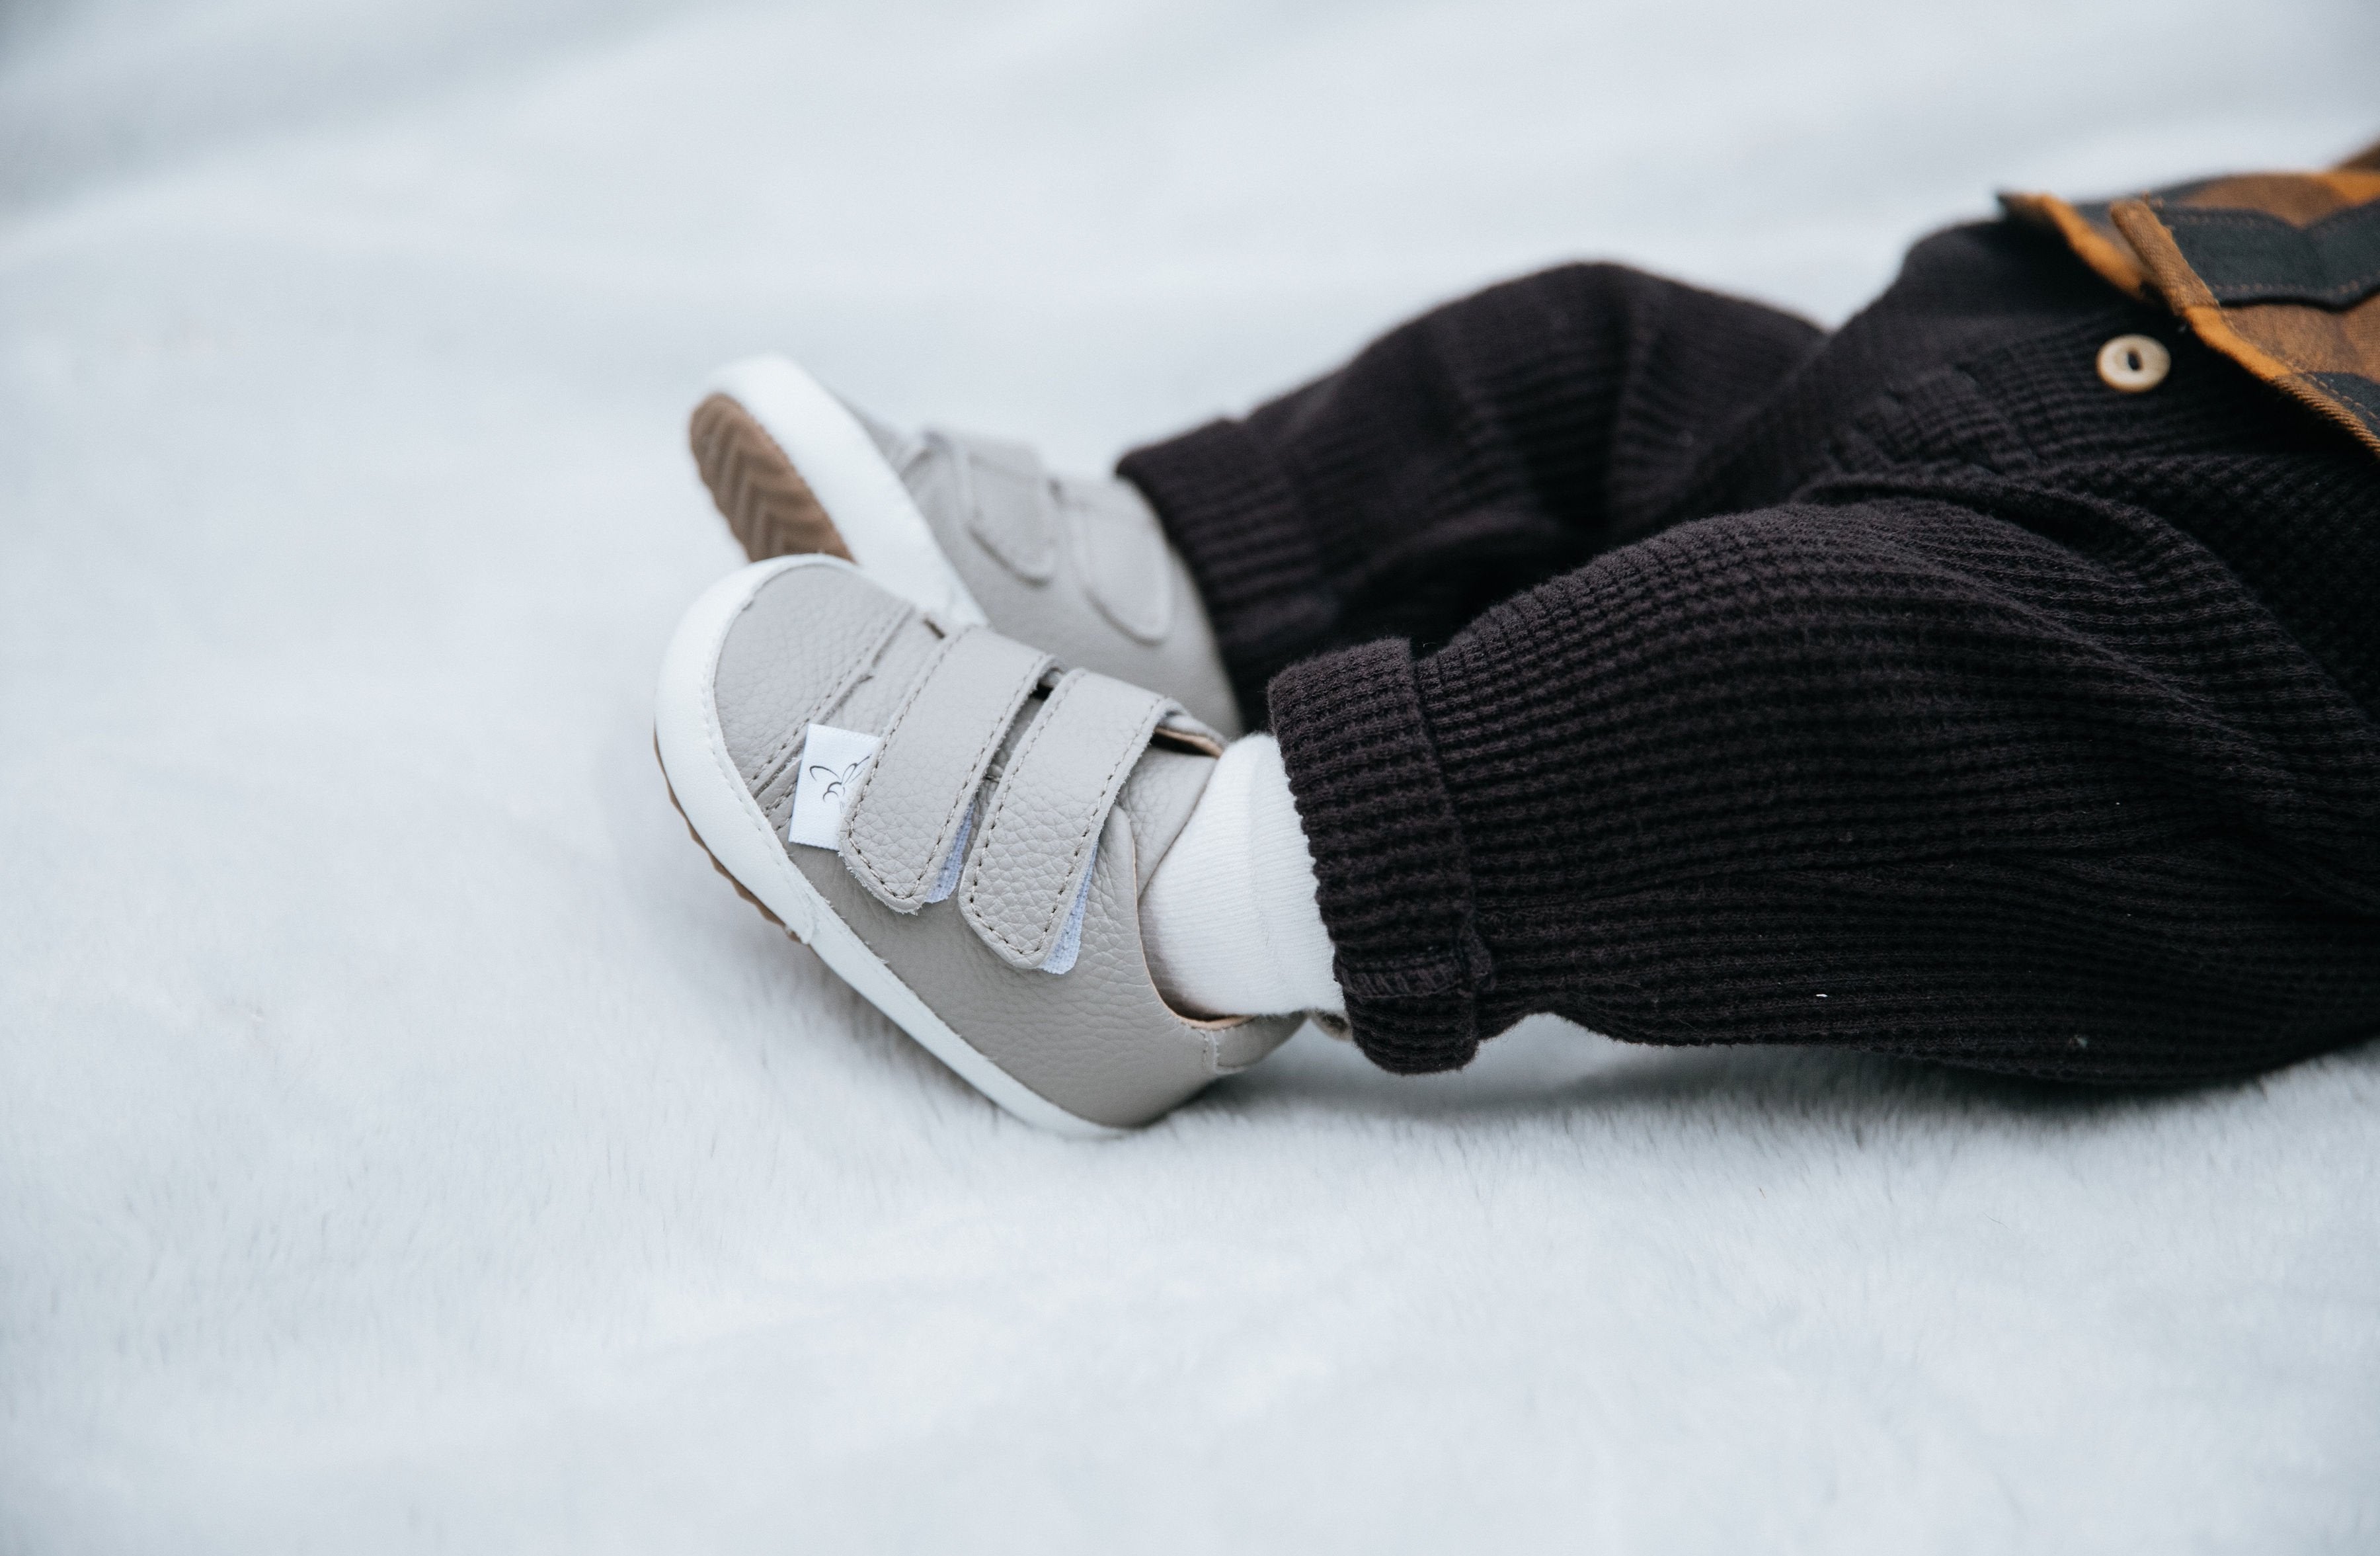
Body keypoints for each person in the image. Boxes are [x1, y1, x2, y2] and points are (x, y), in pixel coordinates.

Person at [654, 149, 2380, 1133]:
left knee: (1794, 676)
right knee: (1585, 352)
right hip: (2145, 306)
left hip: (2305, 592)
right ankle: (1188, 585)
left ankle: (1203, 894)